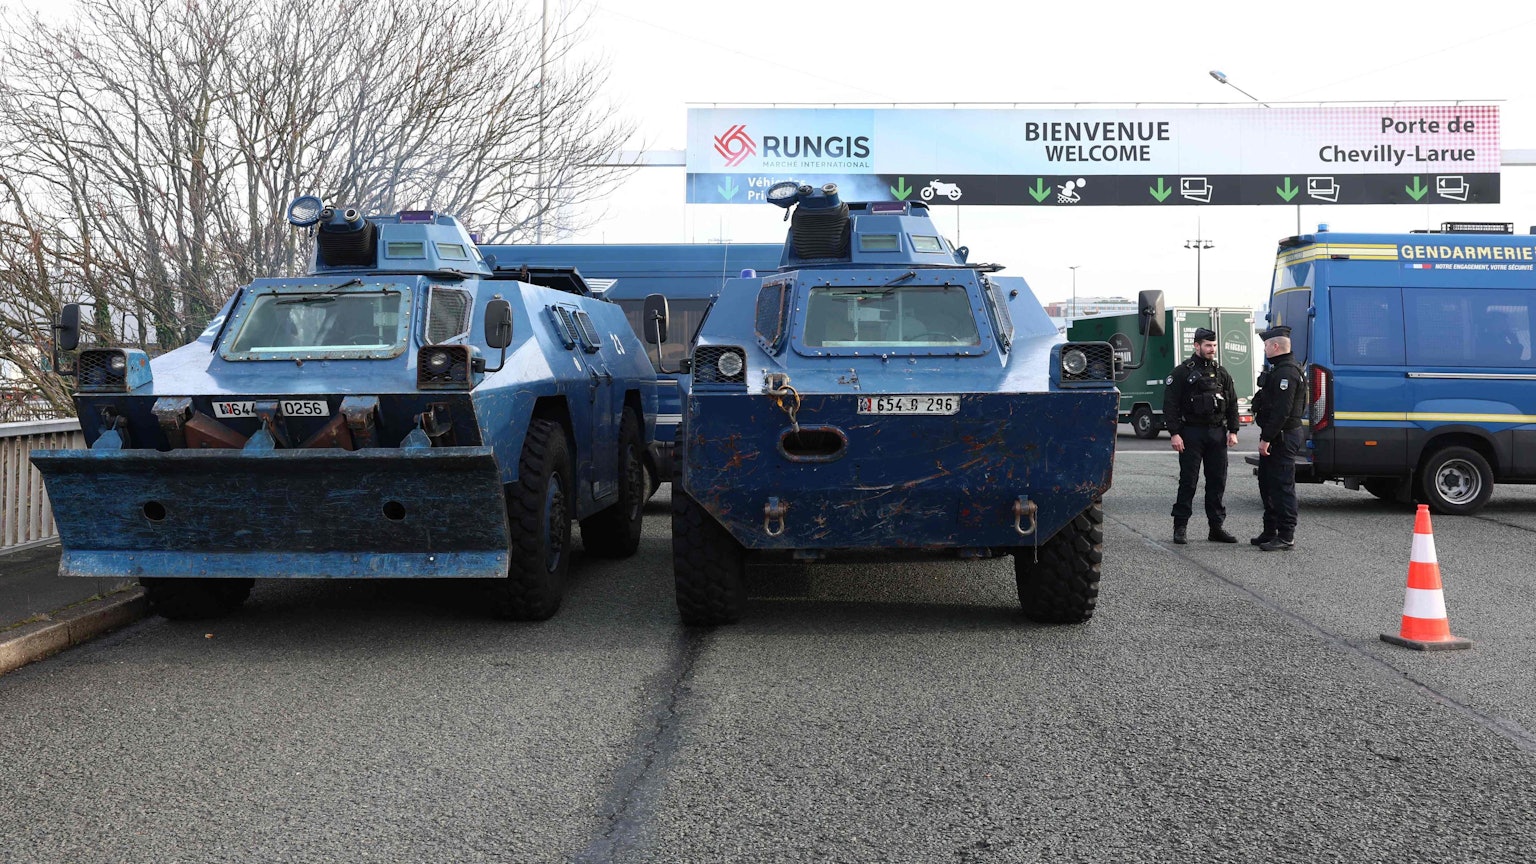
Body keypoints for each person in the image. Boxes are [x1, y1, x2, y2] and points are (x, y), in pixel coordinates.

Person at [1162, 327, 1240, 544]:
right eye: (1208, 345)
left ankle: (1216, 528)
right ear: (1196, 346)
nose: (1212, 349)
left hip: (1217, 433)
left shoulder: (1221, 372)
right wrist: (1174, 433)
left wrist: (1233, 430)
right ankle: (1180, 527)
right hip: (1191, 433)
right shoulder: (1181, 372)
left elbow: (1232, 402)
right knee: (1189, 481)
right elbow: (1170, 405)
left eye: (1214, 345)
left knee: (1217, 481)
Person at [1252, 325, 1307, 551]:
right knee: (1267, 484)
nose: (1264, 349)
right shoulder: (1279, 369)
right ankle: (1270, 531)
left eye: (1266, 345)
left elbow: (1282, 411)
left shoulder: (1287, 373)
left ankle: (1286, 536)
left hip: (1282, 437)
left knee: (1283, 487)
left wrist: (1266, 438)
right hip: (1277, 436)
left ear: (1275, 346)